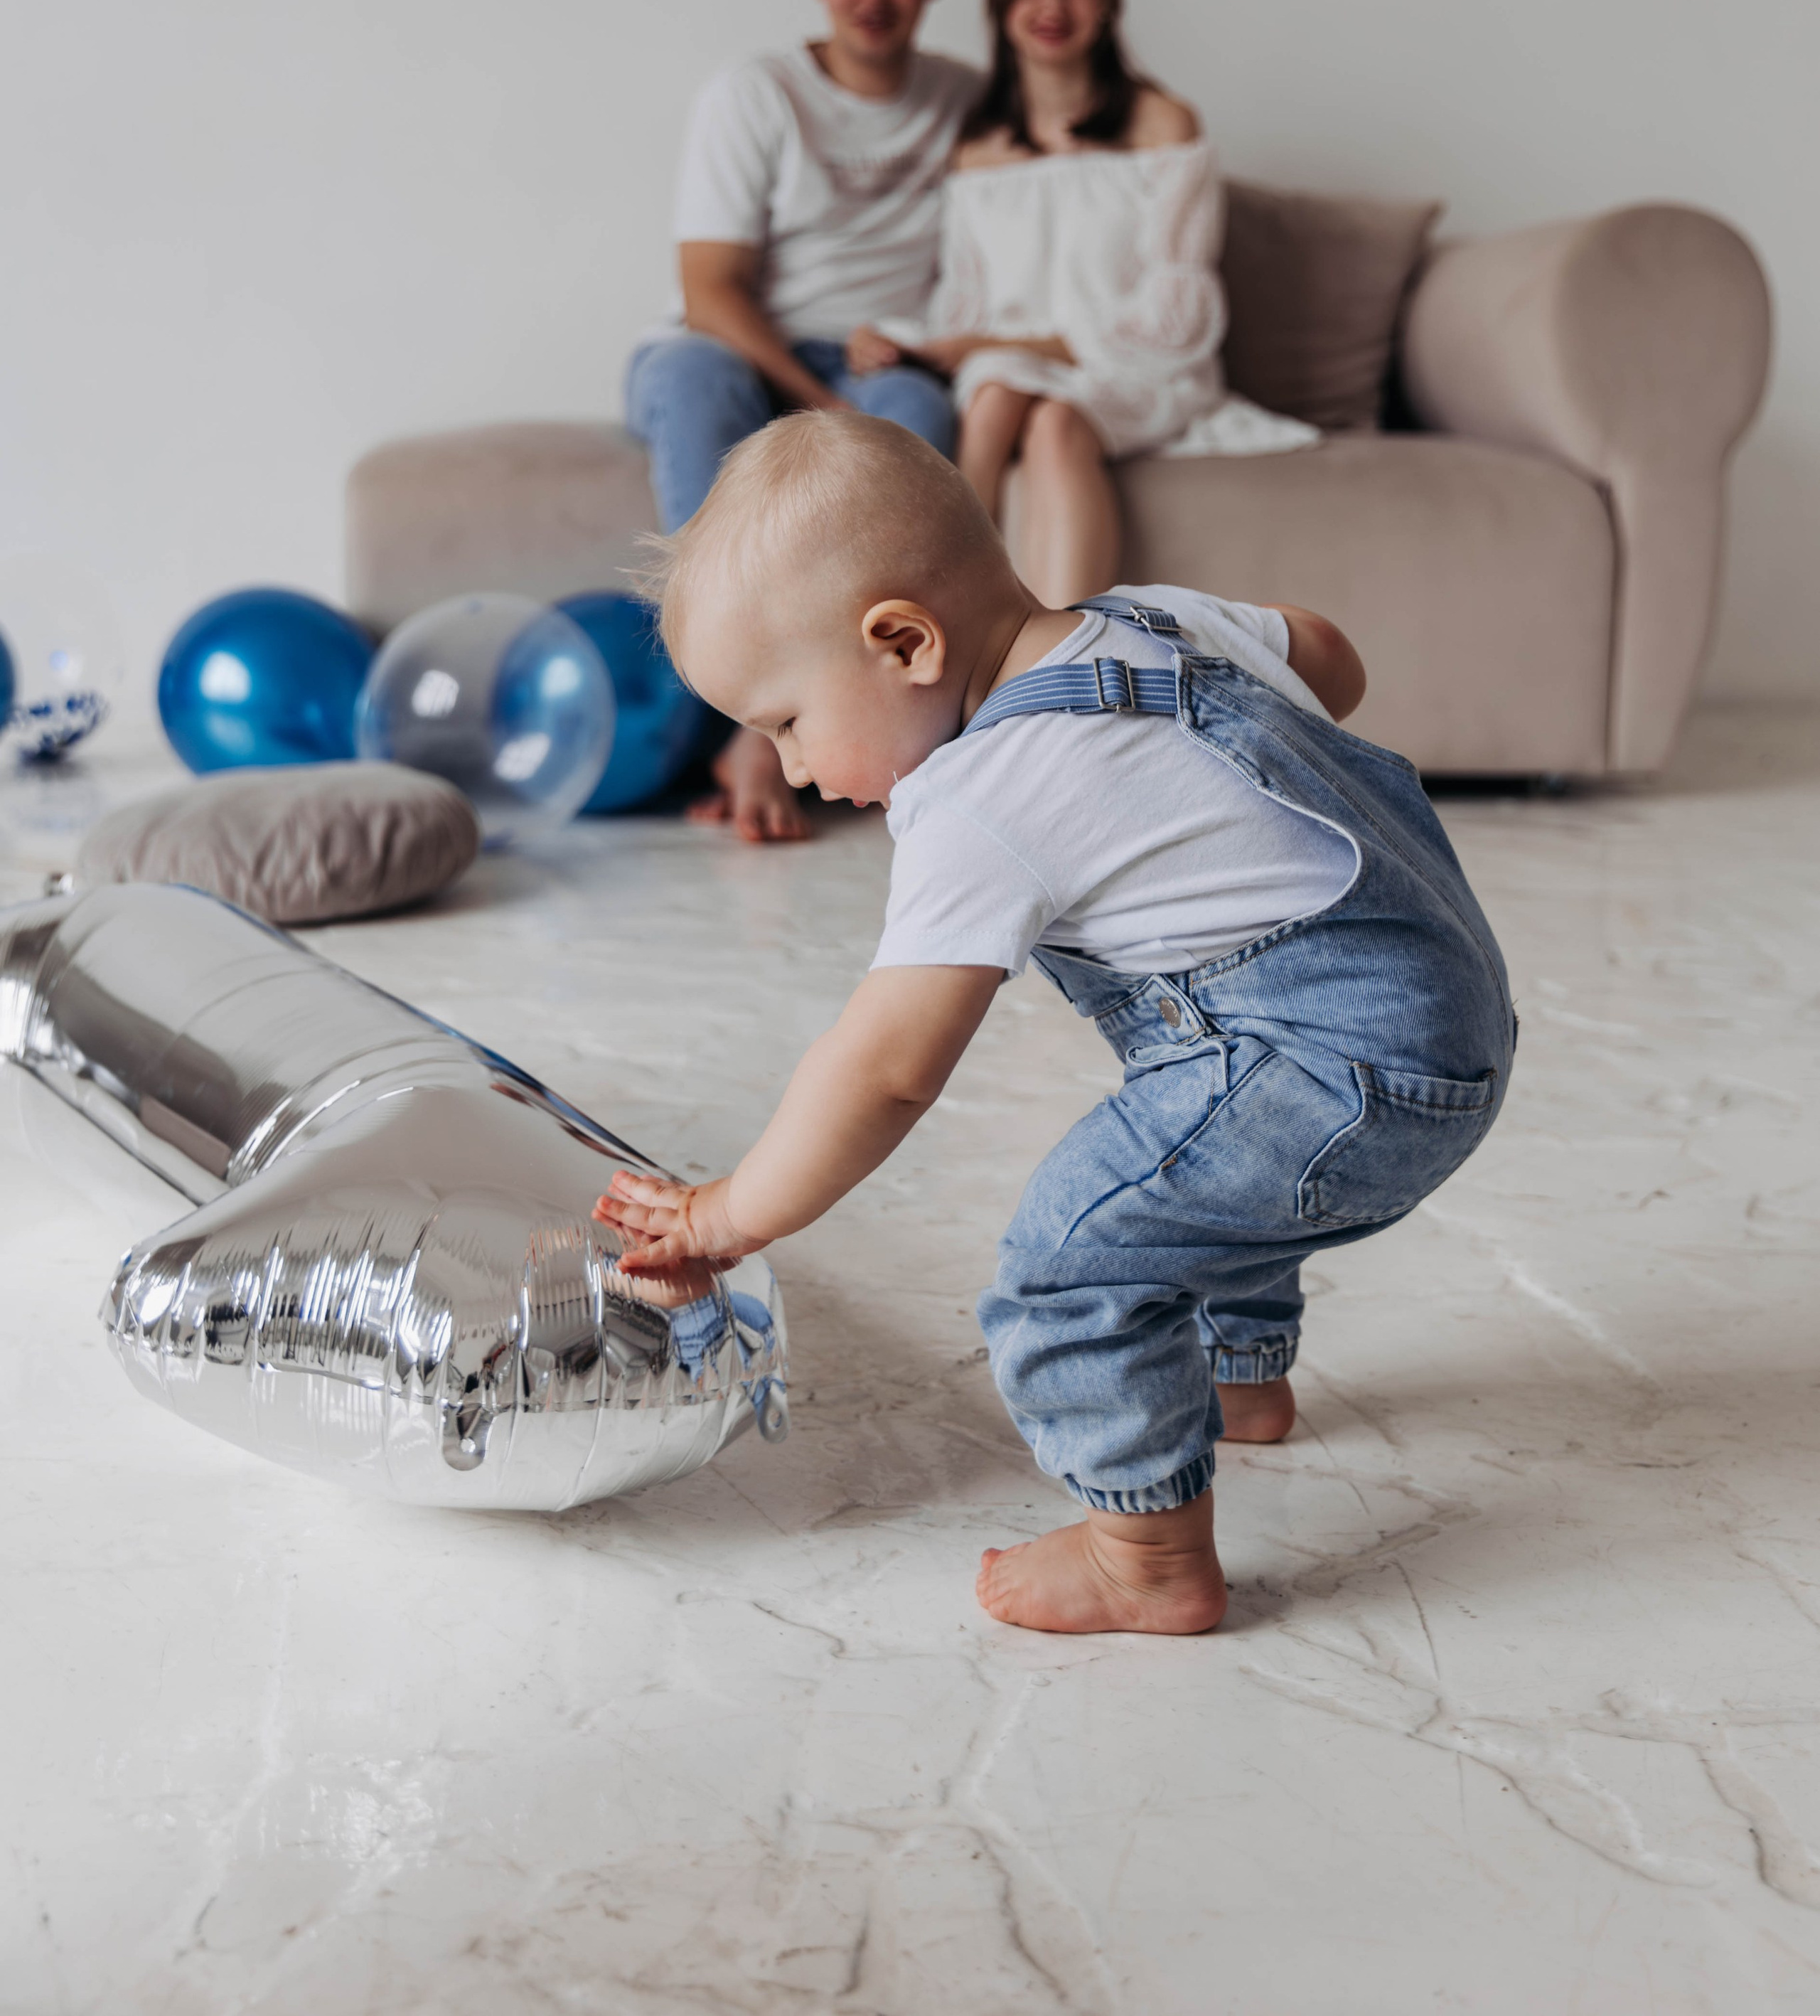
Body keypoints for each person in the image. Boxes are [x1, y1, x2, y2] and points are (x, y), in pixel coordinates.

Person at [592, 411, 1516, 1636]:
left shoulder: (981, 797)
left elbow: (885, 1068)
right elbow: (1330, 657)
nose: (795, 769)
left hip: (1339, 1074)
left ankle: (1147, 1556)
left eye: (786, 723)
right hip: (1447, 1010)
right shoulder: (1149, 619)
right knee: (1200, 1163)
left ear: (903, 642)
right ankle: (1240, 1383)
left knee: (1074, 1255)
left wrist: (730, 1213)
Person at [626, 0, 979, 842]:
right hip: (734, 346)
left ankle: (884, 736)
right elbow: (710, 290)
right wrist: (823, 405)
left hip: (880, 358)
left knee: (915, 413)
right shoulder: (756, 94)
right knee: (696, 382)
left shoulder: (969, 101)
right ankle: (752, 728)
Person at [847, 0, 1229, 607]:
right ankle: (960, 627)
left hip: (1136, 366)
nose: (1051, 6)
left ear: (1108, 1)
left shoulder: (1164, 126)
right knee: (994, 395)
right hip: (1011, 372)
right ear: (1000, 3)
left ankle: (1063, 656)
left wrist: (1009, 347)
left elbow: (1174, 322)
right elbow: (965, 312)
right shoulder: (978, 151)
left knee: (1052, 418)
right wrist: (897, 339)